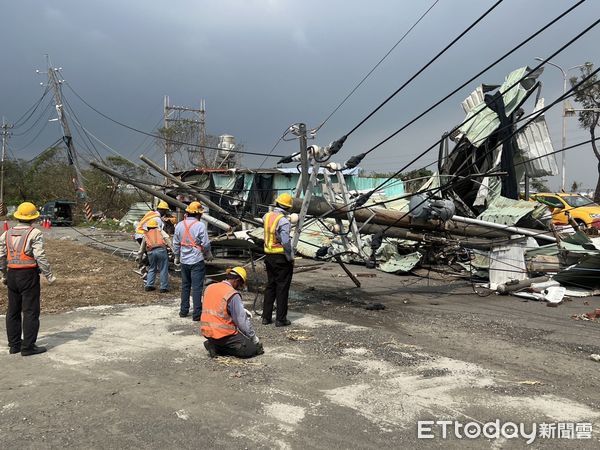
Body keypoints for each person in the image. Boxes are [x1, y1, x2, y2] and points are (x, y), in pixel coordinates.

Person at [0, 201, 56, 356]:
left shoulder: (7, 233)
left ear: (18, 216)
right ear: (34, 218)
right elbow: (40, 256)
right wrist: (49, 276)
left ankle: (14, 345)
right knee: (30, 311)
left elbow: (1, 256)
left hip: (12, 275)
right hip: (28, 276)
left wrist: (4, 275)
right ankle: (28, 347)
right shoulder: (35, 233)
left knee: (13, 311)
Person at [201, 267, 263, 358]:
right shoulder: (232, 293)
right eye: (241, 284)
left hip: (207, 331)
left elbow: (214, 307)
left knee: (231, 341)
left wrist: (239, 310)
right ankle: (217, 347)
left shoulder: (210, 287)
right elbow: (241, 321)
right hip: (222, 333)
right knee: (251, 349)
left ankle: (213, 343)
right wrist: (253, 338)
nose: (240, 287)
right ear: (237, 280)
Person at [172, 201, 212, 321]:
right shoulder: (200, 226)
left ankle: (183, 311)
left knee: (185, 286)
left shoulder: (179, 225)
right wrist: (208, 253)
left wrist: (177, 257)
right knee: (197, 288)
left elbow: (175, 243)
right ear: (198, 214)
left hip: (184, 261)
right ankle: (196, 315)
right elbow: (205, 243)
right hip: (196, 260)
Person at [261, 193, 294, 327]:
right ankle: (281, 319)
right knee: (282, 288)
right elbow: (285, 242)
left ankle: (266, 317)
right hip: (280, 257)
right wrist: (290, 257)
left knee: (270, 286)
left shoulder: (266, 216)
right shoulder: (284, 221)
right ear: (288, 208)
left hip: (268, 256)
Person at [138, 218, 173, 293]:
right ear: (156, 226)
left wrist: (139, 258)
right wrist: (173, 250)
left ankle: (149, 285)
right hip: (161, 251)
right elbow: (167, 239)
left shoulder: (146, 234)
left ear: (148, 227)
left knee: (152, 268)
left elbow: (141, 248)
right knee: (163, 268)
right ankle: (163, 287)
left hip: (151, 252)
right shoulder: (160, 231)